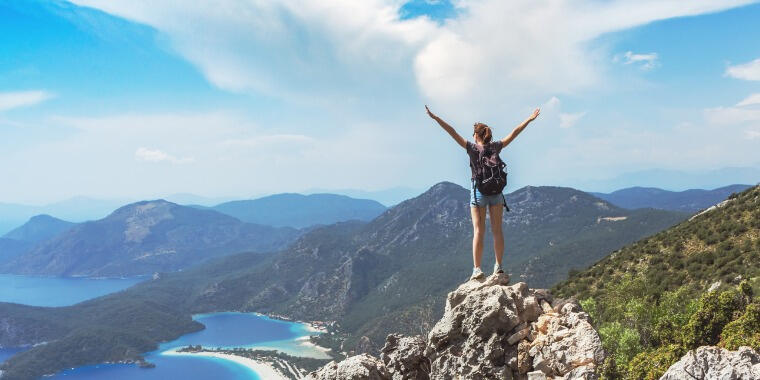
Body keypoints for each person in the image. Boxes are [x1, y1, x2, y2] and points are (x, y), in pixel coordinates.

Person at [426, 105, 540, 280]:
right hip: (496, 193)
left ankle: (477, 269)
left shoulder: (471, 148)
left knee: (479, 231)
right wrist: (529, 119)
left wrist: (435, 118)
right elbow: (515, 132)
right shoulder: (495, 146)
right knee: (497, 231)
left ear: (476, 135)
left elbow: (452, 131)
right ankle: (499, 267)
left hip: (479, 193)